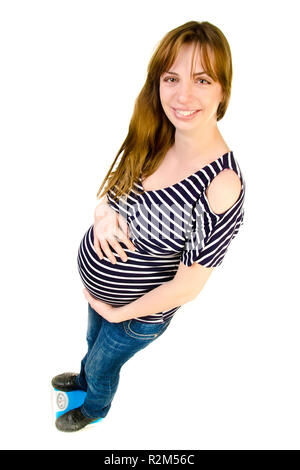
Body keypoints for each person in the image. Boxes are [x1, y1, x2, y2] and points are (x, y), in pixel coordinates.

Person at [52, 20, 246, 432]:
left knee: (106, 363)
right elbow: (112, 192)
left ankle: (94, 406)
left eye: (202, 79)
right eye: (171, 77)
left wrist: (117, 311)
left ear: (223, 90)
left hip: (136, 315)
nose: (183, 95)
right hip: (102, 295)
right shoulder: (160, 135)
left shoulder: (221, 185)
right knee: (93, 347)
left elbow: (188, 286)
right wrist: (103, 215)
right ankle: (85, 376)